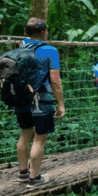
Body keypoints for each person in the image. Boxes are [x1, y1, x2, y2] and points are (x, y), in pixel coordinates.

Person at [14, 18, 65, 185]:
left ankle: (22, 173)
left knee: (24, 134)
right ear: (43, 32)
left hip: (22, 98)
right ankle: (34, 177)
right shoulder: (50, 50)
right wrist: (60, 103)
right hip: (41, 99)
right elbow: (55, 80)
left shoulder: (20, 48)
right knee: (39, 138)